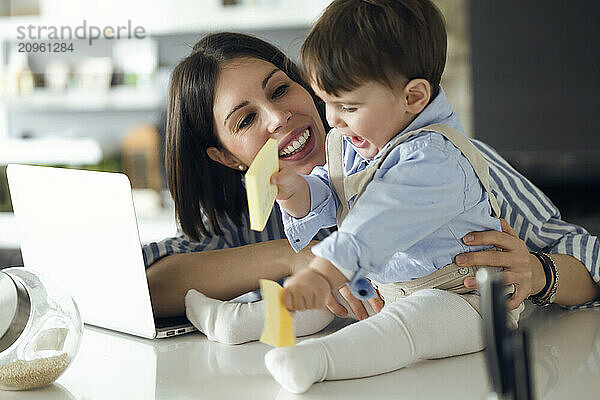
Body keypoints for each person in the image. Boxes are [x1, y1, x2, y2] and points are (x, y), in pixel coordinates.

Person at [143, 26, 600, 341]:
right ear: (224, 156)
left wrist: (540, 274)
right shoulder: (258, 214)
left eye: (281, 89)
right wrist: (305, 257)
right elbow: (151, 281)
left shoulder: (442, 166)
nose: (279, 117)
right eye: (245, 119)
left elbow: (591, 261)